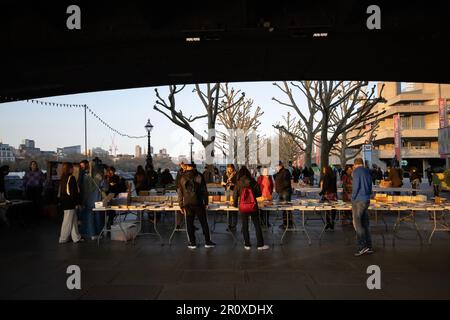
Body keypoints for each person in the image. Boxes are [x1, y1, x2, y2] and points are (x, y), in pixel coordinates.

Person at [177, 162, 215, 249]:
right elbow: (204, 191)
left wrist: (181, 205)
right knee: (204, 222)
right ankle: (207, 242)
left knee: (190, 223)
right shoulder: (199, 176)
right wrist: (206, 202)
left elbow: (180, 192)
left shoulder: (182, 177)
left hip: (187, 203)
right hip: (198, 202)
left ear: (187, 166)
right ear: (194, 167)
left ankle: (192, 243)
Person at [233, 166, 269, 250]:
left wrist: (235, 204)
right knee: (257, 225)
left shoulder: (238, 183)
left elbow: (235, 195)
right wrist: (252, 197)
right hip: (253, 206)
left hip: (243, 207)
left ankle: (247, 244)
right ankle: (260, 245)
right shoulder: (252, 181)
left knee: (244, 225)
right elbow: (259, 193)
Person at [351, 158, 374, 257]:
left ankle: (362, 246)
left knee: (357, 223)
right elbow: (370, 186)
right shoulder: (367, 171)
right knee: (365, 223)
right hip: (366, 199)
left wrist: (353, 197)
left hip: (358, 199)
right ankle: (369, 246)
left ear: (355, 164)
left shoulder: (356, 172)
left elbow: (356, 186)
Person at [79, 160, 106, 240]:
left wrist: (83, 200)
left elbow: (84, 190)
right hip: (98, 199)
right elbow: (105, 187)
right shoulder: (99, 176)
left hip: (88, 200)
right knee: (98, 215)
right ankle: (99, 232)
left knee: (89, 216)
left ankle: (91, 233)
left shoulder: (85, 176)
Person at [58, 162, 83, 244]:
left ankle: (76, 237)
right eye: (72, 168)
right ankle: (63, 238)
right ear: (69, 169)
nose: (73, 169)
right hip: (70, 203)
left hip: (65, 202)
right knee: (67, 221)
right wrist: (77, 203)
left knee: (73, 220)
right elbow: (73, 192)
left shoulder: (63, 177)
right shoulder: (71, 178)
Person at [274, 161, 293, 229]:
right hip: (281, 192)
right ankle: (285, 223)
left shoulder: (285, 172)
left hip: (285, 192)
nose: (275, 168)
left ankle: (288, 224)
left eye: (276, 166)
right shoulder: (279, 173)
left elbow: (286, 183)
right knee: (283, 209)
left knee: (286, 208)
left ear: (280, 166)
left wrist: (280, 188)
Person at [320, 166, 338, 230]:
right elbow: (335, 186)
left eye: (324, 169)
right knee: (333, 208)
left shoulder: (326, 176)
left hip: (328, 194)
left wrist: (321, 192)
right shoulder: (333, 176)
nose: (323, 170)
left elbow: (326, 186)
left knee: (327, 208)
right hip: (333, 194)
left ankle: (327, 223)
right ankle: (332, 222)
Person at [222, 164, 238, 231]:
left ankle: (234, 225)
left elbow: (238, 183)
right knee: (228, 208)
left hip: (233, 191)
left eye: (231, 169)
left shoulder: (236, 174)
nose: (229, 170)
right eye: (228, 169)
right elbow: (224, 182)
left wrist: (233, 184)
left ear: (233, 168)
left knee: (234, 208)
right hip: (227, 191)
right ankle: (229, 224)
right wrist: (224, 184)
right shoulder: (225, 174)